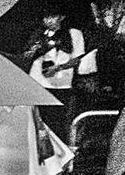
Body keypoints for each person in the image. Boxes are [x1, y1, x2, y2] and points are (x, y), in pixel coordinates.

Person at [25, 10, 98, 138]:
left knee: (57, 123)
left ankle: (59, 152)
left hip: (60, 85)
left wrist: (58, 68)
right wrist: (36, 49)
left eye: (52, 16)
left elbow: (77, 59)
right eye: (46, 17)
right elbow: (28, 55)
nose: (48, 20)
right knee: (37, 122)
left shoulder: (73, 33)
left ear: (62, 17)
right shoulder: (40, 34)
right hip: (37, 82)